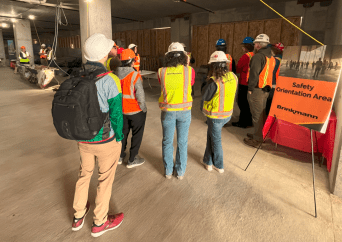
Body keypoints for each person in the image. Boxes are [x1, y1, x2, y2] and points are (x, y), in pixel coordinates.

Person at [71, 33, 124, 238]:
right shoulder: (110, 80)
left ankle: (78, 216)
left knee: (84, 175)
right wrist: (118, 138)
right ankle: (99, 223)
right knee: (104, 180)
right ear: (104, 55)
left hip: (82, 138)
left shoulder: (76, 76)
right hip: (105, 140)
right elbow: (117, 114)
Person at [158, 42, 195, 180]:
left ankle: (168, 171)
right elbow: (190, 83)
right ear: (184, 56)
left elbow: (162, 84)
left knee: (167, 141)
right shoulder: (189, 71)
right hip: (184, 111)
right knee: (182, 142)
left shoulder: (161, 71)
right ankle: (180, 172)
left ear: (168, 56)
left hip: (168, 111)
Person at [201, 51, 238, 173]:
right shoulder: (233, 76)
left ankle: (219, 165)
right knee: (211, 136)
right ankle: (208, 161)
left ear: (212, 66)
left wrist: (206, 81)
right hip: (227, 114)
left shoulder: (213, 82)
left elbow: (205, 96)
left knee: (215, 141)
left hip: (216, 116)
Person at [243, 34, 276, 148]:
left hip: (257, 90)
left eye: (255, 43)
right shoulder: (271, 57)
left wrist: (250, 89)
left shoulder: (258, 57)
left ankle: (257, 140)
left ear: (258, 44)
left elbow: (254, 74)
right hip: (266, 89)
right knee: (261, 113)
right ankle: (260, 134)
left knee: (256, 115)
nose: (254, 45)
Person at [116, 49, 147, 168]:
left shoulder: (115, 74)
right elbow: (140, 96)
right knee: (137, 134)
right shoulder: (135, 75)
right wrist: (143, 108)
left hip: (121, 111)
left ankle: (119, 156)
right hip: (135, 111)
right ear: (132, 61)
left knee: (123, 133)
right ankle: (132, 159)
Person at [232, 37, 254, 128]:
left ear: (247, 46)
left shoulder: (246, 56)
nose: (243, 47)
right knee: (247, 103)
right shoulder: (254, 55)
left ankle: (243, 122)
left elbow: (238, 68)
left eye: (244, 45)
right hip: (251, 82)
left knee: (242, 102)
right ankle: (249, 121)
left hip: (244, 81)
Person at [266, 42, 284, 116]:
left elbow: (270, 72)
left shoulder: (275, 60)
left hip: (272, 84)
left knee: (269, 105)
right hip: (278, 84)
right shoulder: (282, 59)